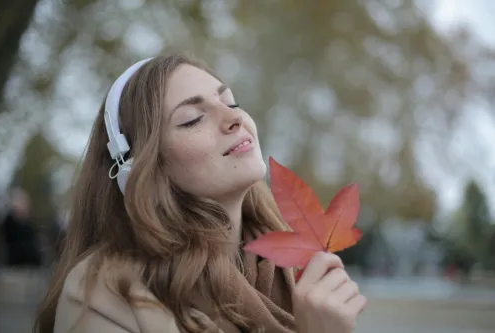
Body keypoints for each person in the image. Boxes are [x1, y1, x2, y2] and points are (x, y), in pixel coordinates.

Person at [34, 53, 367, 333]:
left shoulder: (297, 273)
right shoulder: (102, 291)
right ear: (137, 171)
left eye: (230, 101)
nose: (234, 117)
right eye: (192, 119)